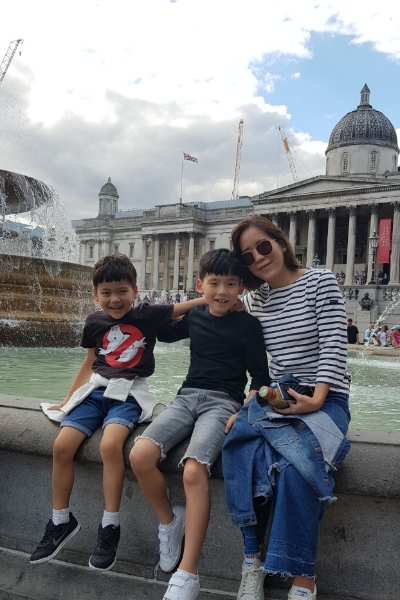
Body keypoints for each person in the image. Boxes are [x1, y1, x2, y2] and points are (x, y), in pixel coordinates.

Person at [30, 254, 205, 571]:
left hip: (129, 394)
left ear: (135, 291)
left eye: (122, 291)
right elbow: (89, 362)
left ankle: (110, 525)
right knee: (61, 446)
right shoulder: (93, 322)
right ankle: (60, 520)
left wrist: (215, 296)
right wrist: (68, 399)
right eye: (106, 292)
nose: (114, 299)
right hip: (96, 393)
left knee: (110, 446)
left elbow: (183, 307)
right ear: (95, 295)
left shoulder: (146, 315)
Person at [129, 249, 270, 600]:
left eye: (230, 284)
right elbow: (159, 330)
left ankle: (188, 573)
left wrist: (245, 411)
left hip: (224, 403)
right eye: (214, 284)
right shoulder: (196, 315)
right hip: (185, 398)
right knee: (139, 455)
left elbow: (260, 379)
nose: (222, 292)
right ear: (200, 284)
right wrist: (197, 303)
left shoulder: (249, 326)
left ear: (241, 288)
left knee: (194, 471)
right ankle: (169, 521)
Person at [223, 215, 351, 600]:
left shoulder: (320, 281)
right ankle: (251, 561)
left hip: (326, 398)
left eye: (263, 246)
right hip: (277, 396)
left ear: (280, 242)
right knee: (242, 451)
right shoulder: (254, 300)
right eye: (247, 256)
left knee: (298, 468)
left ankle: (303, 580)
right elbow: (217, 299)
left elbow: (333, 344)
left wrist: (319, 397)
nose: (259, 258)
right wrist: (250, 400)